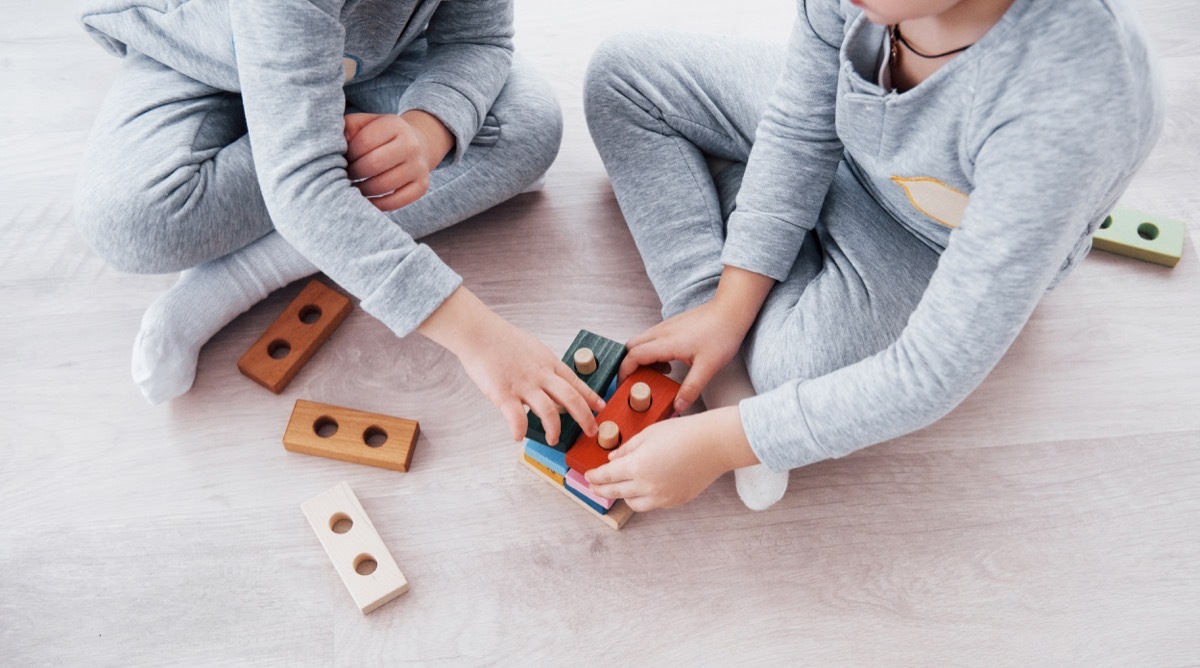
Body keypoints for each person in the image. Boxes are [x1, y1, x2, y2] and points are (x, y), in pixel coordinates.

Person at [581, 0, 1163, 511]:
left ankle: (735, 234)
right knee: (622, 77)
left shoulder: (1066, 102)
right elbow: (801, 126)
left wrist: (728, 442)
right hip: (846, 144)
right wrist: (728, 307)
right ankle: (711, 320)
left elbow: (931, 372)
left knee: (789, 370)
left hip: (928, 241)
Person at [74, 0, 602, 446]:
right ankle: (243, 270)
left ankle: (258, 256)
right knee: (132, 219)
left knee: (528, 126)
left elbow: (479, 39)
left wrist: (427, 130)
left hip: (372, 59)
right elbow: (303, 186)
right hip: (209, 57)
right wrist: (480, 337)